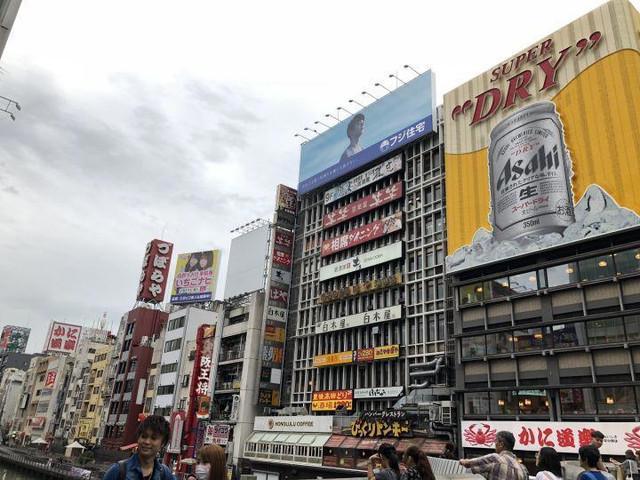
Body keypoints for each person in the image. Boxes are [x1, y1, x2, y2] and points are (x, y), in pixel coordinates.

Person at [102, 415, 175, 480]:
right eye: (144, 436)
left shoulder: (164, 474)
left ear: (162, 443)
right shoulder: (118, 470)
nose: (147, 442)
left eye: (153, 438)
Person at [459, 430, 528, 480]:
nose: (494, 444)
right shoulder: (523, 468)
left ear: (501, 444)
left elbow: (467, 464)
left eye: (495, 441)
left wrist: (462, 461)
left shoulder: (495, 458)